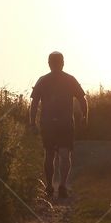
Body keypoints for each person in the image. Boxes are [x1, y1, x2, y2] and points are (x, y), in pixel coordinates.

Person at [29, 51, 88, 200]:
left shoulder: (42, 80)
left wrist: (32, 122)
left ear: (49, 63)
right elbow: (82, 99)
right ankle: (62, 186)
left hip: (48, 123)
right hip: (65, 123)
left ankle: (49, 187)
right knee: (64, 154)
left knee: (49, 154)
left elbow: (34, 103)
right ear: (62, 63)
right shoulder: (70, 80)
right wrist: (85, 116)